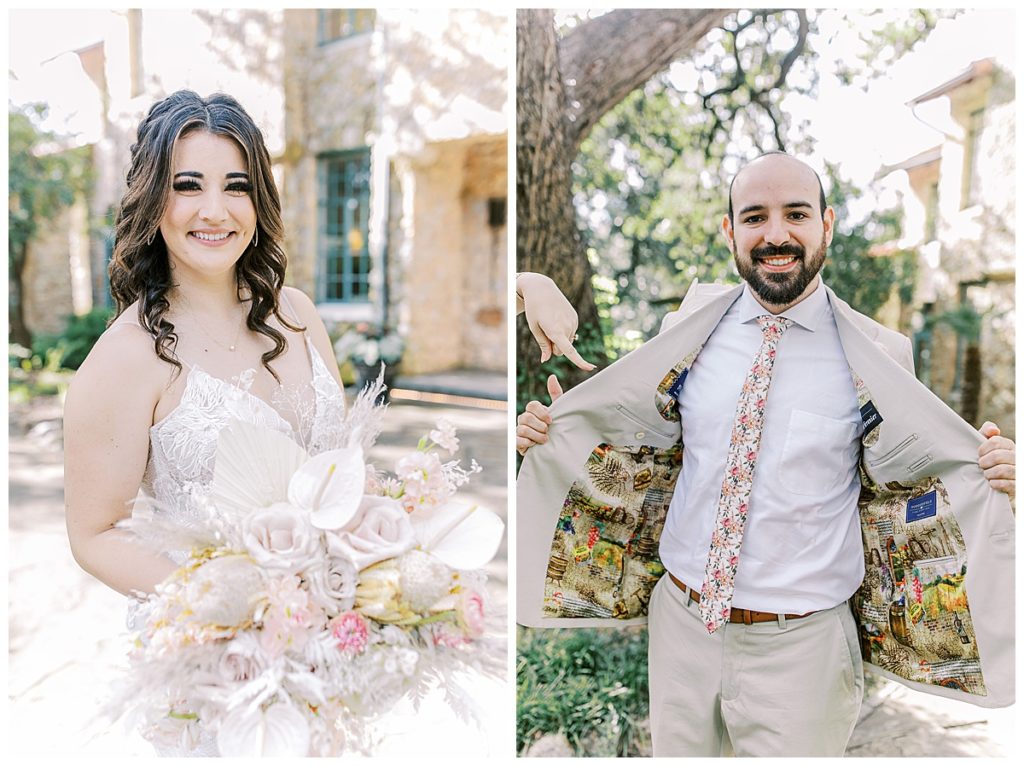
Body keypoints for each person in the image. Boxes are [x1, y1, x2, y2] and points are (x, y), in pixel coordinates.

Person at [515, 152, 1016, 756]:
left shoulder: (881, 355)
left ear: (826, 225)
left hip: (802, 653)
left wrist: (996, 475)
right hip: (682, 626)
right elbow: (638, 445)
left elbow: (911, 486)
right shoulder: (687, 328)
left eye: (796, 214)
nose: (776, 234)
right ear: (730, 231)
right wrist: (552, 435)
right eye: (755, 217)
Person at [63, 90, 347, 755]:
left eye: (236, 187)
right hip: (215, 669)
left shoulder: (299, 314)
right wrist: (239, 608)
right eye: (187, 186)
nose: (214, 210)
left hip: (333, 650)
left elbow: (343, 468)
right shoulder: (127, 356)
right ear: (152, 198)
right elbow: (93, 534)